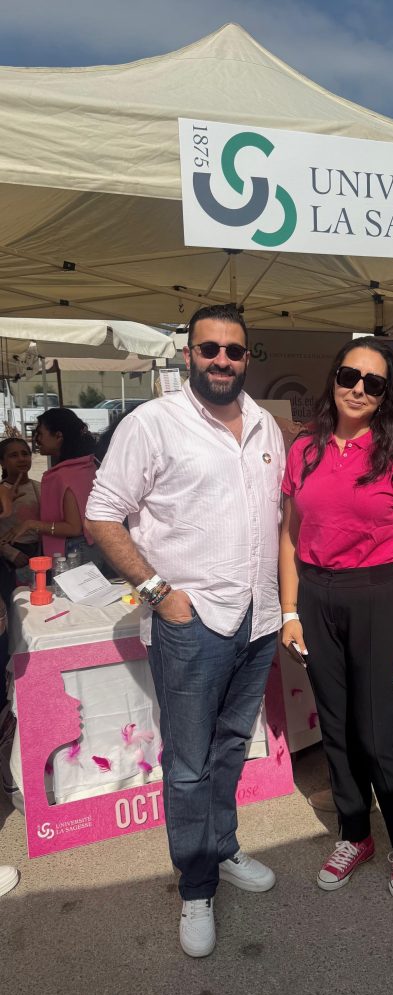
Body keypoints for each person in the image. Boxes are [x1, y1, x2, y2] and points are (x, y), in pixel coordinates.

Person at [86, 304, 284, 959]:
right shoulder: (152, 423)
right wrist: (158, 594)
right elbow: (101, 515)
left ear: (247, 357)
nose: (222, 360)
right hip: (192, 625)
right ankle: (196, 887)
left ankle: (222, 847)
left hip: (258, 619)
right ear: (188, 354)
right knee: (190, 764)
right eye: (209, 349)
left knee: (230, 749)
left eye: (234, 350)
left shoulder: (265, 424)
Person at [280, 338, 393, 899]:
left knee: (378, 732)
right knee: (337, 726)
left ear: (386, 393)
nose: (358, 390)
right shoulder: (305, 449)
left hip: (379, 595)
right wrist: (290, 610)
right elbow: (290, 535)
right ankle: (355, 833)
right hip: (316, 597)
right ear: (334, 378)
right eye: (350, 376)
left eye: (374, 383)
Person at [0, 408, 100, 564]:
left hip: (71, 553)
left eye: (40, 433)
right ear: (2, 462)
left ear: (58, 436)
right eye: (13, 456)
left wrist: (30, 524)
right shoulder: (88, 465)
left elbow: (73, 528)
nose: (37, 440)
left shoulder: (61, 475)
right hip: (93, 547)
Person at [0, 438, 40, 587]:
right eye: (14, 455)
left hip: (39, 554)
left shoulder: (41, 487)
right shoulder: (2, 491)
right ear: (2, 463)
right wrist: (10, 553)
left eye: (25, 454)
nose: (22, 459)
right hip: (9, 560)